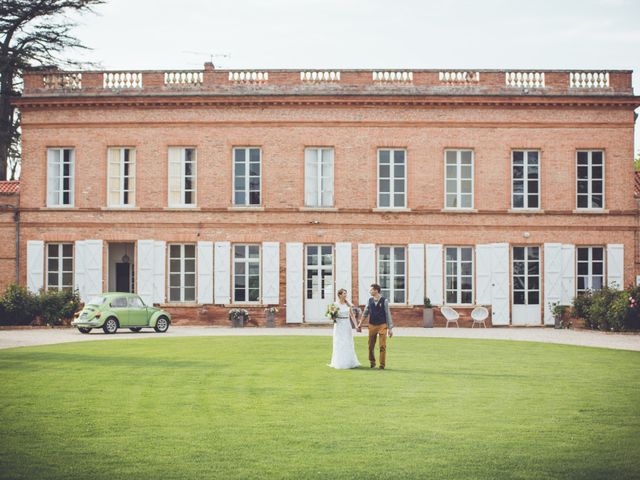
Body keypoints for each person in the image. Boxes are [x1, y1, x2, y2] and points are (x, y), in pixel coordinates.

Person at [357, 283, 393, 369]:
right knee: (370, 346)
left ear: (376, 290)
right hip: (372, 325)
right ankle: (372, 363)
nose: (370, 291)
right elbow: (365, 313)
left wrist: (390, 328)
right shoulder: (369, 300)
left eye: (371, 290)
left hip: (382, 325)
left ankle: (382, 365)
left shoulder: (384, 300)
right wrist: (360, 324)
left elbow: (388, 314)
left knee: (382, 346)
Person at [328, 288, 361, 369]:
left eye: (346, 293)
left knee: (348, 342)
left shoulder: (348, 304)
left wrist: (356, 326)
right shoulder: (334, 304)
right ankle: (339, 362)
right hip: (339, 325)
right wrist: (333, 317)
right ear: (339, 295)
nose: (345, 295)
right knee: (339, 343)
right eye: (344, 293)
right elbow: (331, 317)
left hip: (347, 325)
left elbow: (352, 315)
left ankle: (349, 362)